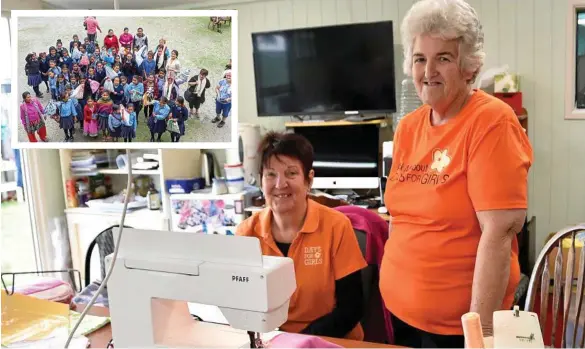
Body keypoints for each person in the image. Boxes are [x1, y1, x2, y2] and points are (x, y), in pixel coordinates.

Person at [379, 1, 533, 348]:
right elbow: (399, 217)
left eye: (443, 58)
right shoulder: (408, 127)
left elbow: (499, 233)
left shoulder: (491, 122)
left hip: (456, 329)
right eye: (420, 58)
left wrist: (479, 336)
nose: (428, 70)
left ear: (468, 66)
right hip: (401, 314)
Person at [236, 132, 367, 340]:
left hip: (332, 340)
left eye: (291, 173)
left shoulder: (336, 226)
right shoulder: (246, 234)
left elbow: (351, 309)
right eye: (270, 174)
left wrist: (299, 342)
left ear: (309, 180)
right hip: (272, 341)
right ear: (261, 181)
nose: (280, 184)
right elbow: (242, 306)